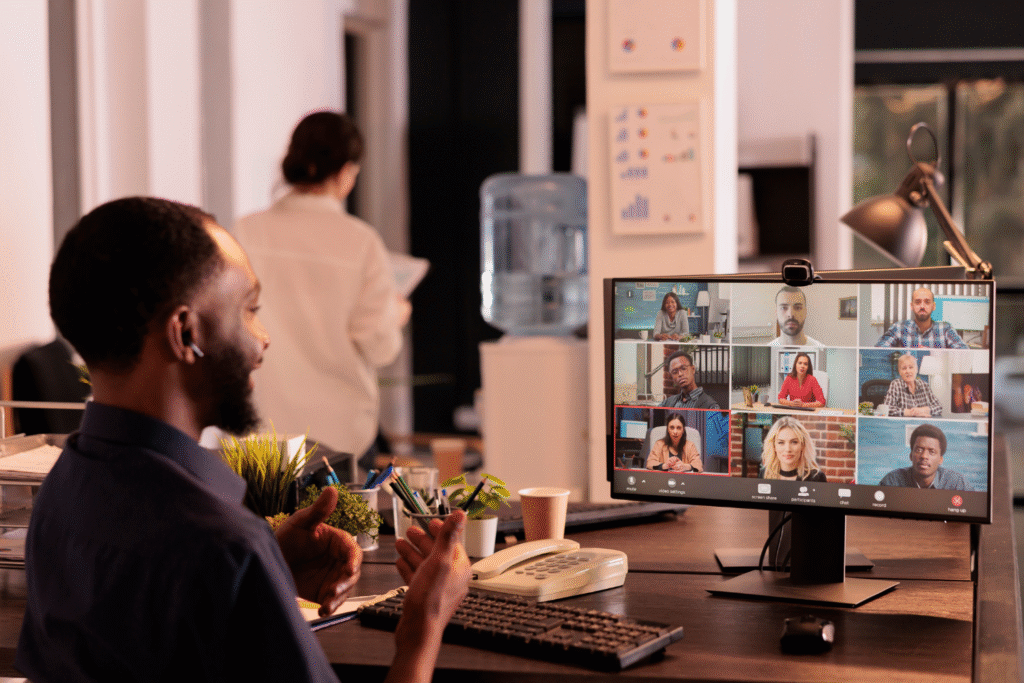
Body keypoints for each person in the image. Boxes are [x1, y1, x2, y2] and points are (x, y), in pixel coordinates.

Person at [17, 197, 470, 683]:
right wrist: (423, 623)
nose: (264, 337)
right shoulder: (223, 546)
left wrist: (267, 576)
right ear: (184, 332)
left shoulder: (61, 490)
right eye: (249, 309)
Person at [234, 110, 411, 466]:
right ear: (346, 172)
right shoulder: (360, 242)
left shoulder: (244, 232)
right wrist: (397, 314)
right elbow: (378, 346)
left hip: (261, 432)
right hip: (341, 437)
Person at [880, 423, 971, 490]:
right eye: (919, 450)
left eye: (931, 452)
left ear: (940, 459)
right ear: (911, 455)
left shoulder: (957, 483)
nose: (924, 456)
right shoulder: (892, 481)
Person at [875, 287, 969, 349]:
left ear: (933, 306)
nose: (922, 306)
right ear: (911, 306)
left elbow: (963, 351)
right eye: (918, 302)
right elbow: (879, 349)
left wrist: (933, 354)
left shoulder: (945, 329)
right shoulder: (899, 327)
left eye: (927, 302)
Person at [759, 416, 827, 481]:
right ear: (774, 446)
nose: (788, 449)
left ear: (802, 445)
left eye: (794, 442)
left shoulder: (817, 477)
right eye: (781, 442)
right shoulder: (764, 474)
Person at [883, 353, 942, 417]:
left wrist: (922, 410)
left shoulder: (925, 386)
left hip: (923, 424)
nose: (908, 371)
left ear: (916, 369)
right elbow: (887, 409)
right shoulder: (896, 384)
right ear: (900, 372)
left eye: (911, 367)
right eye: (904, 368)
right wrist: (911, 413)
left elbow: (939, 407)